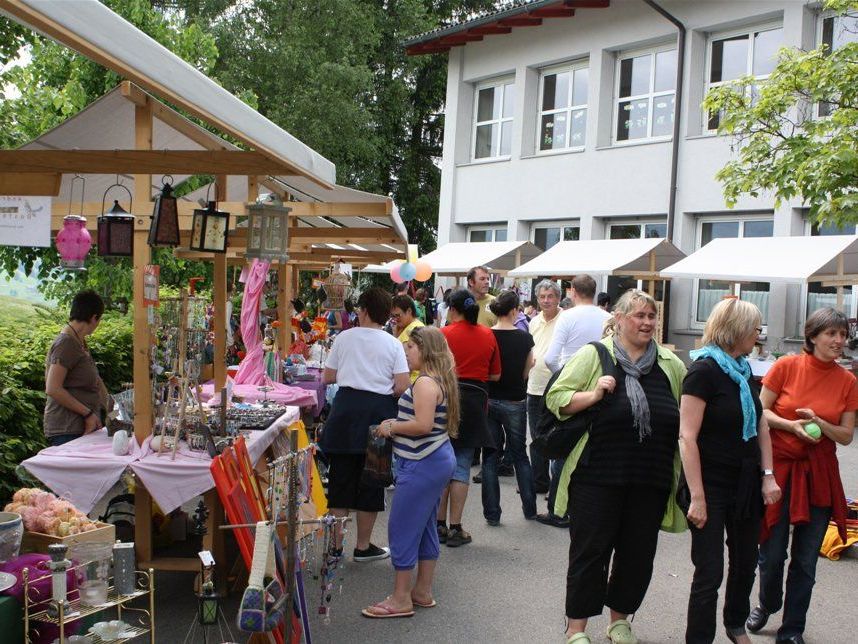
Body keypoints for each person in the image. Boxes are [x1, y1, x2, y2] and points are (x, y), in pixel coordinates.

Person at [546, 289, 687, 644]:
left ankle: (620, 621)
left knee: (637, 556)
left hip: (649, 480)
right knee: (590, 553)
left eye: (651, 316)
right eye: (639, 315)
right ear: (620, 319)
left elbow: (688, 416)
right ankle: (577, 628)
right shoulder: (596, 355)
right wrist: (593, 395)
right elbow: (556, 398)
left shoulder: (670, 365)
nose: (647, 322)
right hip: (597, 476)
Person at [746, 308, 858, 644]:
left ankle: (793, 627)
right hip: (779, 468)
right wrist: (791, 425)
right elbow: (759, 412)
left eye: (843, 335)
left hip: (820, 472)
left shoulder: (848, 381)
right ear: (812, 336)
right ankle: (767, 602)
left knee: (807, 559)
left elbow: (846, 435)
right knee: (772, 550)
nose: (839, 341)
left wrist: (821, 424)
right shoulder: (786, 366)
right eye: (832, 334)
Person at [679, 298, 781, 644]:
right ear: (736, 330)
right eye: (755, 327)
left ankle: (736, 625)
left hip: (746, 483)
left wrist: (768, 476)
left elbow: (761, 426)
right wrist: (697, 497)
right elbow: (686, 438)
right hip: (708, 484)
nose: (759, 333)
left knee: (745, 563)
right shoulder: (703, 371)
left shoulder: (742, 369)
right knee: (709, 572)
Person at [362, 326, 459, 618]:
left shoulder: (425, 383)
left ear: (426, 350)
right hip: (434, 460)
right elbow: (424, 420)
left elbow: (423, 425)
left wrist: (391, 427)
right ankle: (422, 591)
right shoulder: (436, 380)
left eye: (411, 348)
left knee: (402, 527)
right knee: (425, 525)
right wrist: (399, 419)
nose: (406, 352)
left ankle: (401, 597)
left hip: (423, 462)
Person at [320, 288, 410, 562]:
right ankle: (362, 546)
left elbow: (328, 377)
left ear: (365, 310)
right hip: (378, 414)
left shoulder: (344, 337)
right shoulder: (393, 343)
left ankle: (335, 548)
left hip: (346, 411)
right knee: (372, 479)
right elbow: (402, 385)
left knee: (340, 480)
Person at [438, 288, 501, 547]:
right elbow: (495, 375)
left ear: (452, 309)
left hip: (445, 398)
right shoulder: (488, 334)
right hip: (475, 402)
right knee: (462, 465)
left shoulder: (443, 334)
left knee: (441, 463)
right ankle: (456, 527)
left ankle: (438, 524)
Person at [481, 290, 536, 524]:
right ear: (514, 311)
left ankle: (492, 514)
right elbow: (526, 371)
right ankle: (530, 508)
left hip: (489, 400)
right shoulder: (525, 338)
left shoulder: (486, 336)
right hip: (515, 401)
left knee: (490, 456)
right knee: (520, 455)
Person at [44, 290, 108, 446]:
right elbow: (53, 388)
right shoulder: (66, 343)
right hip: (68, 429)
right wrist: (87, 414)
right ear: (94, 318)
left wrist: (115, 412)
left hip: (82, 427)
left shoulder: (80, 342)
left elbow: (96, 381)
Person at [525, 280, 565, 512]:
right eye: (542, 296)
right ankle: (539, 481)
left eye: (550, 296)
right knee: (537, 436)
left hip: (557, 387)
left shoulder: (565, 319)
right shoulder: (533, 321)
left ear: (558, 298)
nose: (547, 300)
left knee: (556, 437)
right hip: (535, 386)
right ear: (537, 299)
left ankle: (556, 484)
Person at [545, 275, 611, 374]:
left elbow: (550, 359)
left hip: (570, 378)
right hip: (599, 379)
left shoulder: (566, 317)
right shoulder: (609, 318)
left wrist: (561, 377)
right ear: (594, 293)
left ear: (573, 291)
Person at [392, 294, 425, 382]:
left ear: (409, 311)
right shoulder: (411, 326)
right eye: (393, 316)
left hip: (411, 382)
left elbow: (405, 363)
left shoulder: (413, 330)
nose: (395, 319)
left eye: (398, 315)